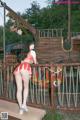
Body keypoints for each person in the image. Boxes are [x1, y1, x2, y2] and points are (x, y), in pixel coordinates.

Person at [13, 43, 38, 114]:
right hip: (25, 68)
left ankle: (21, 108)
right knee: (26, 87)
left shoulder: (27, 53)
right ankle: (23, 105)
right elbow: (35, 63)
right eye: (32, 45)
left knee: (19, 89)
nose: (32, 46)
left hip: (18, 68)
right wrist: (34, 62)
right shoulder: (33, 52)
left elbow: (23, 61)